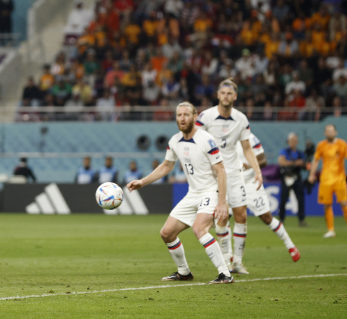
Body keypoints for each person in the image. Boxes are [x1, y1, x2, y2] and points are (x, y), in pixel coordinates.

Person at [127, 102, 232, 284]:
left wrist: (222, 202)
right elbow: (167, 165)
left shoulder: (206, 139)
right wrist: (142, 182)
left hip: (211, 192)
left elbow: (221, 171)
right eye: (179, 115)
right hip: (193, 194)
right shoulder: (175, 141)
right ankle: (184, 272)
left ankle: (225, 274)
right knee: (167, 233)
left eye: (186, 114)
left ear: (195, 116)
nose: (182, 118)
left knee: (199, 229)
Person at [196, 78, 263, 274]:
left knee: (241, 215)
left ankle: (238, 263)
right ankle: (225, 260)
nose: (226, 96)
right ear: (218, 95)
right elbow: (197, 143)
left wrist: (257, 170)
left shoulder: (241, 119)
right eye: (222, 93)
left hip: (234, 173)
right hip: (214, 175)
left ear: (235, 96)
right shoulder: (205, 117)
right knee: (222, 217)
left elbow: (247, 149)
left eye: (229, 93)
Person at [239, 133, 300, 262]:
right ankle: (232, 260)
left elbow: (263, 160)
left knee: (267, 217)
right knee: (223, 218)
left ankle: (291, 246)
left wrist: (249, 165)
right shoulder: (221, 136)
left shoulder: (250, 138)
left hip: (251, 183)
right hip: (232, 184)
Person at [308, 124, 347, 238]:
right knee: (327, 205)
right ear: (325, 133)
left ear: (336, 132)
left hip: (339, 179)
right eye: (327, 131)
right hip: (325, 180)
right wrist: (311, 174)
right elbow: (315, 160)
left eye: (331, 131)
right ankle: (331, 230)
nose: (329, 133)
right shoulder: (321, 145)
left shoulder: (342, 144)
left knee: (344, 203)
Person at [277, 133, 307, 226]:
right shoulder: (284, 151)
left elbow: (305, 165)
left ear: (297, 142)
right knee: (284, 199)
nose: (293, 142)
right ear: (288, 141)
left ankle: (301, 220)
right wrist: (295, 163)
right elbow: (281, 162)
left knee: (300, 199)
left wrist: (302, 164)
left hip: (297, 177)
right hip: (287, 177)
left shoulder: (300, 153)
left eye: (295, 141)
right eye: (291, 140)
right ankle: (281, 219)